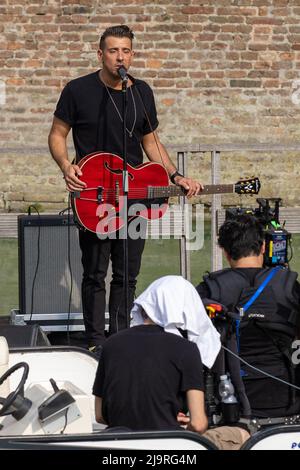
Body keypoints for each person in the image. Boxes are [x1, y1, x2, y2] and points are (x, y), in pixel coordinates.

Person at [48, 25, 202, 355]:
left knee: (128, 273)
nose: (121, 57)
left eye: (127, 51)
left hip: (133, 197)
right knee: (94, 272)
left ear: (132, 55)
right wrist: (65, 166)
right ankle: (94, 341)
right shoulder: (78, 90)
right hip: (94, 194)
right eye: (114, 50)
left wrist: (176, 176)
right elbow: (58, 134)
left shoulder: (141, 92)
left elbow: (150, 142)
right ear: (100, 53)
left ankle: (119, 338)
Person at [93, 275, 250, 450]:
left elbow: (99, 415)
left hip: (117, 444)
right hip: (168, 444)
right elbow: (199, 425)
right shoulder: (187, 349)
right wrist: (177, 421)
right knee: (241, 435)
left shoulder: (111, 344)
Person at [196, 214, 300, 419]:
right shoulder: (289, 286)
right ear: (263, 247)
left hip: (229, 403)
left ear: (225, 252)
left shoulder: (211, 289)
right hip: (285, 399)